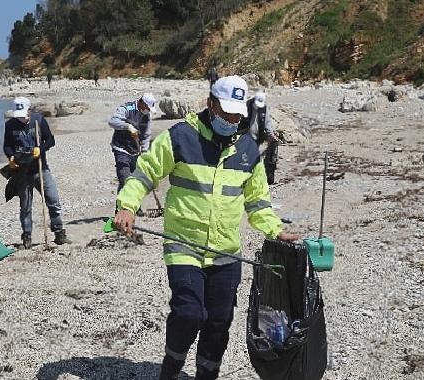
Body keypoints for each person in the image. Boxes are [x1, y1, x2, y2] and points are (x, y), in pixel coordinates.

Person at [113, 76, 298, 380]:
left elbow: (258, 202)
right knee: (189, 313)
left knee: (219, 321)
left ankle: (206, 375)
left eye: (236, 114)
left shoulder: (248, 150)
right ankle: (170, 369)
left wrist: (274, 230)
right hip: (183, 244)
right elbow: (145, 173)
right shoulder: (180, 137)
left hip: (225, 251)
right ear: (210, 104)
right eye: (225, 112)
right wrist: (127, 206)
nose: (231, 119)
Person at [3, 97, 70, 248]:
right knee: (25, 207)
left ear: (29, 110)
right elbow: (7, 146)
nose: (21, 118)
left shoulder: (38, 120)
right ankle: (27, 237)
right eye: (18, 115)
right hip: (22, 171)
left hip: (41, 168)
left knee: (53, 200)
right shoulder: (10, 125)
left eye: (23, 114)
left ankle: (59, 233)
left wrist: (41, 149)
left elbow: (51, 140)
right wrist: (11, 157)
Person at [108, 93, 156, 214]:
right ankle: (121, 210)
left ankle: (135, 206)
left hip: (136, 151)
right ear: (142, 103)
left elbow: (146, 135)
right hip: (121, 148)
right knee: (124, 178)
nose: (148, 111)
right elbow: (112, 122)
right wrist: (127, 126)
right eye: (147, 108)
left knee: (136, 180)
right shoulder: (127, 108)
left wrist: (144, 152)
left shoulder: (147, 116)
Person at [239, 91, 279, 184]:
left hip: (257, 137)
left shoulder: (264, 108)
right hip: (245, 137)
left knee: (255, 158)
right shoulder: (246, 106)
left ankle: (259, 177)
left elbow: (267, 122)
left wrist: (271, 134)